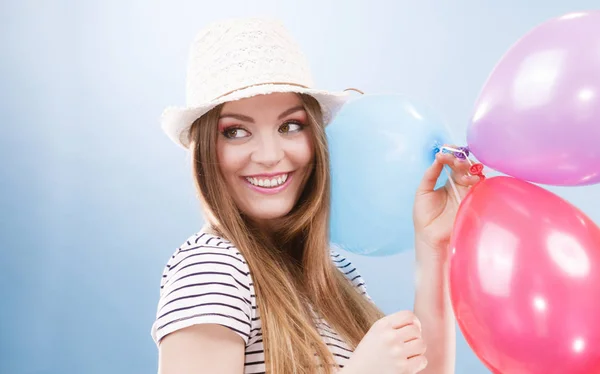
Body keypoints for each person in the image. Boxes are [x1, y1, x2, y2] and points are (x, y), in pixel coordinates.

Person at [151, 18, 479, 374]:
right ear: (204, 152)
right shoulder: (213, 267)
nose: (269, 154)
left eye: (290, 126)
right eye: (235, 131)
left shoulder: (338, 275)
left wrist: (434, 247)